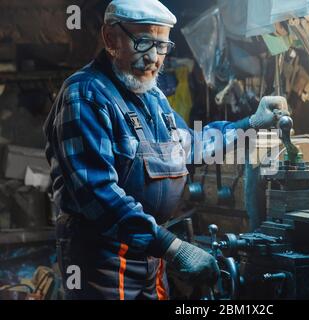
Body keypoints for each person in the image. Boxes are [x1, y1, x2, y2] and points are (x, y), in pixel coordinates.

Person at [44, 0, 288, 300]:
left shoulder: (152, 96)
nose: (153, 58)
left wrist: (251, 123)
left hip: (150, 252)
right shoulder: (84, 95)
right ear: (110, 38)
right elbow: (98, 195)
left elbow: (191, 146)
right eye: (143, 42)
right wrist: (174, 248)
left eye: (161, 46)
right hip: (102, 261)